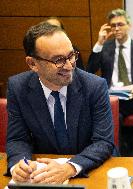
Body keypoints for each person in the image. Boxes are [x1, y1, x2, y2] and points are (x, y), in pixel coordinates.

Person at [6, 22, 114, 184]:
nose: (70, 65)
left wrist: (69, 168)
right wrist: (19, 166)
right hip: (42, 175)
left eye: (71, 55)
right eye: (59, 60)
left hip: (90, 171)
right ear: (32, 64)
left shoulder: (95, 86)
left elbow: (103, 142)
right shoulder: (18, 87)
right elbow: (17, 139)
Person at [87, 9, 133, 117]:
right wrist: (99, 43)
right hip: (110, 95)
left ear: (129, 25)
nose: (116, 28)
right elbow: (90, 70)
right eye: (113, 25)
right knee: (111, 112)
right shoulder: (105, 47)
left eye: (120, 24)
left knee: (114, 114)